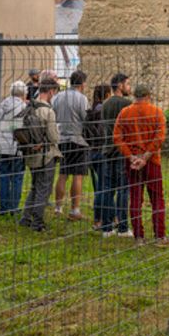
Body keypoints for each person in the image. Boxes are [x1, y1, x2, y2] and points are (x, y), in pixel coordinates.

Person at [114, 84, 169, 245]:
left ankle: (139, 236)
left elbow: (117, 137)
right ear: (148, 95)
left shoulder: (125, 113)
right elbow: (159, 137)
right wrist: (146, 156)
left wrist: (131, 156)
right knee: (157, 198)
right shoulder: (156, 112)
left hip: (133, 162)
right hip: (152, 160)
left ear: (135, 96)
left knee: (136, 198)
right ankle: (160, 236)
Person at [18, 75, 62, 232]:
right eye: (55, 92)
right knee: (44, 188)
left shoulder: (30, 107)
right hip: (46, 155)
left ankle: (25, 217)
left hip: (31, 154)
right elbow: (54, 137)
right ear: (50, 91)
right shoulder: (47, 111)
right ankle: (37, 222)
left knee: (35, 187)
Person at [52, 69, 90, 219]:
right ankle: (75, 209)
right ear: (82, 83)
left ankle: (58, 207)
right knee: (77, 175)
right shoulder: (82, 99)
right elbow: (86, 118)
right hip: (78, 139)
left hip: (61, 138)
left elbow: (52, 114)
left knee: (62, 173)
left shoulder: (58, 97)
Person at [99, 73, 133, 237]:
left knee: (107, 189)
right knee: (123, 189)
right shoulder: (127, 104)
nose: (129, 88)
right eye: (127, 84)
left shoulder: (105, 104)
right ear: (120, 85)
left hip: (107, 149)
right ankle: (123, 227)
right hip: (122, 150)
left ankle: (106, 227)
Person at [0, 80, 28, 214]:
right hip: (16, 146)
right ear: (24, 93)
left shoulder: (2, 104)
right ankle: (14, 207)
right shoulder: (24, 107)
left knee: (3, 176)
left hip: (2, 145)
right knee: (17, 177)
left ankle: (3, 207)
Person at [84, 83, 111, 231]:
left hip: (91, 151)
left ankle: (100, 219)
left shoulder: (92, 109)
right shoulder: (102, 111)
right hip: (101, 151)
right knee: (103, 187)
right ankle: (99, 220)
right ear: (106, 95)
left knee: (98, 187)